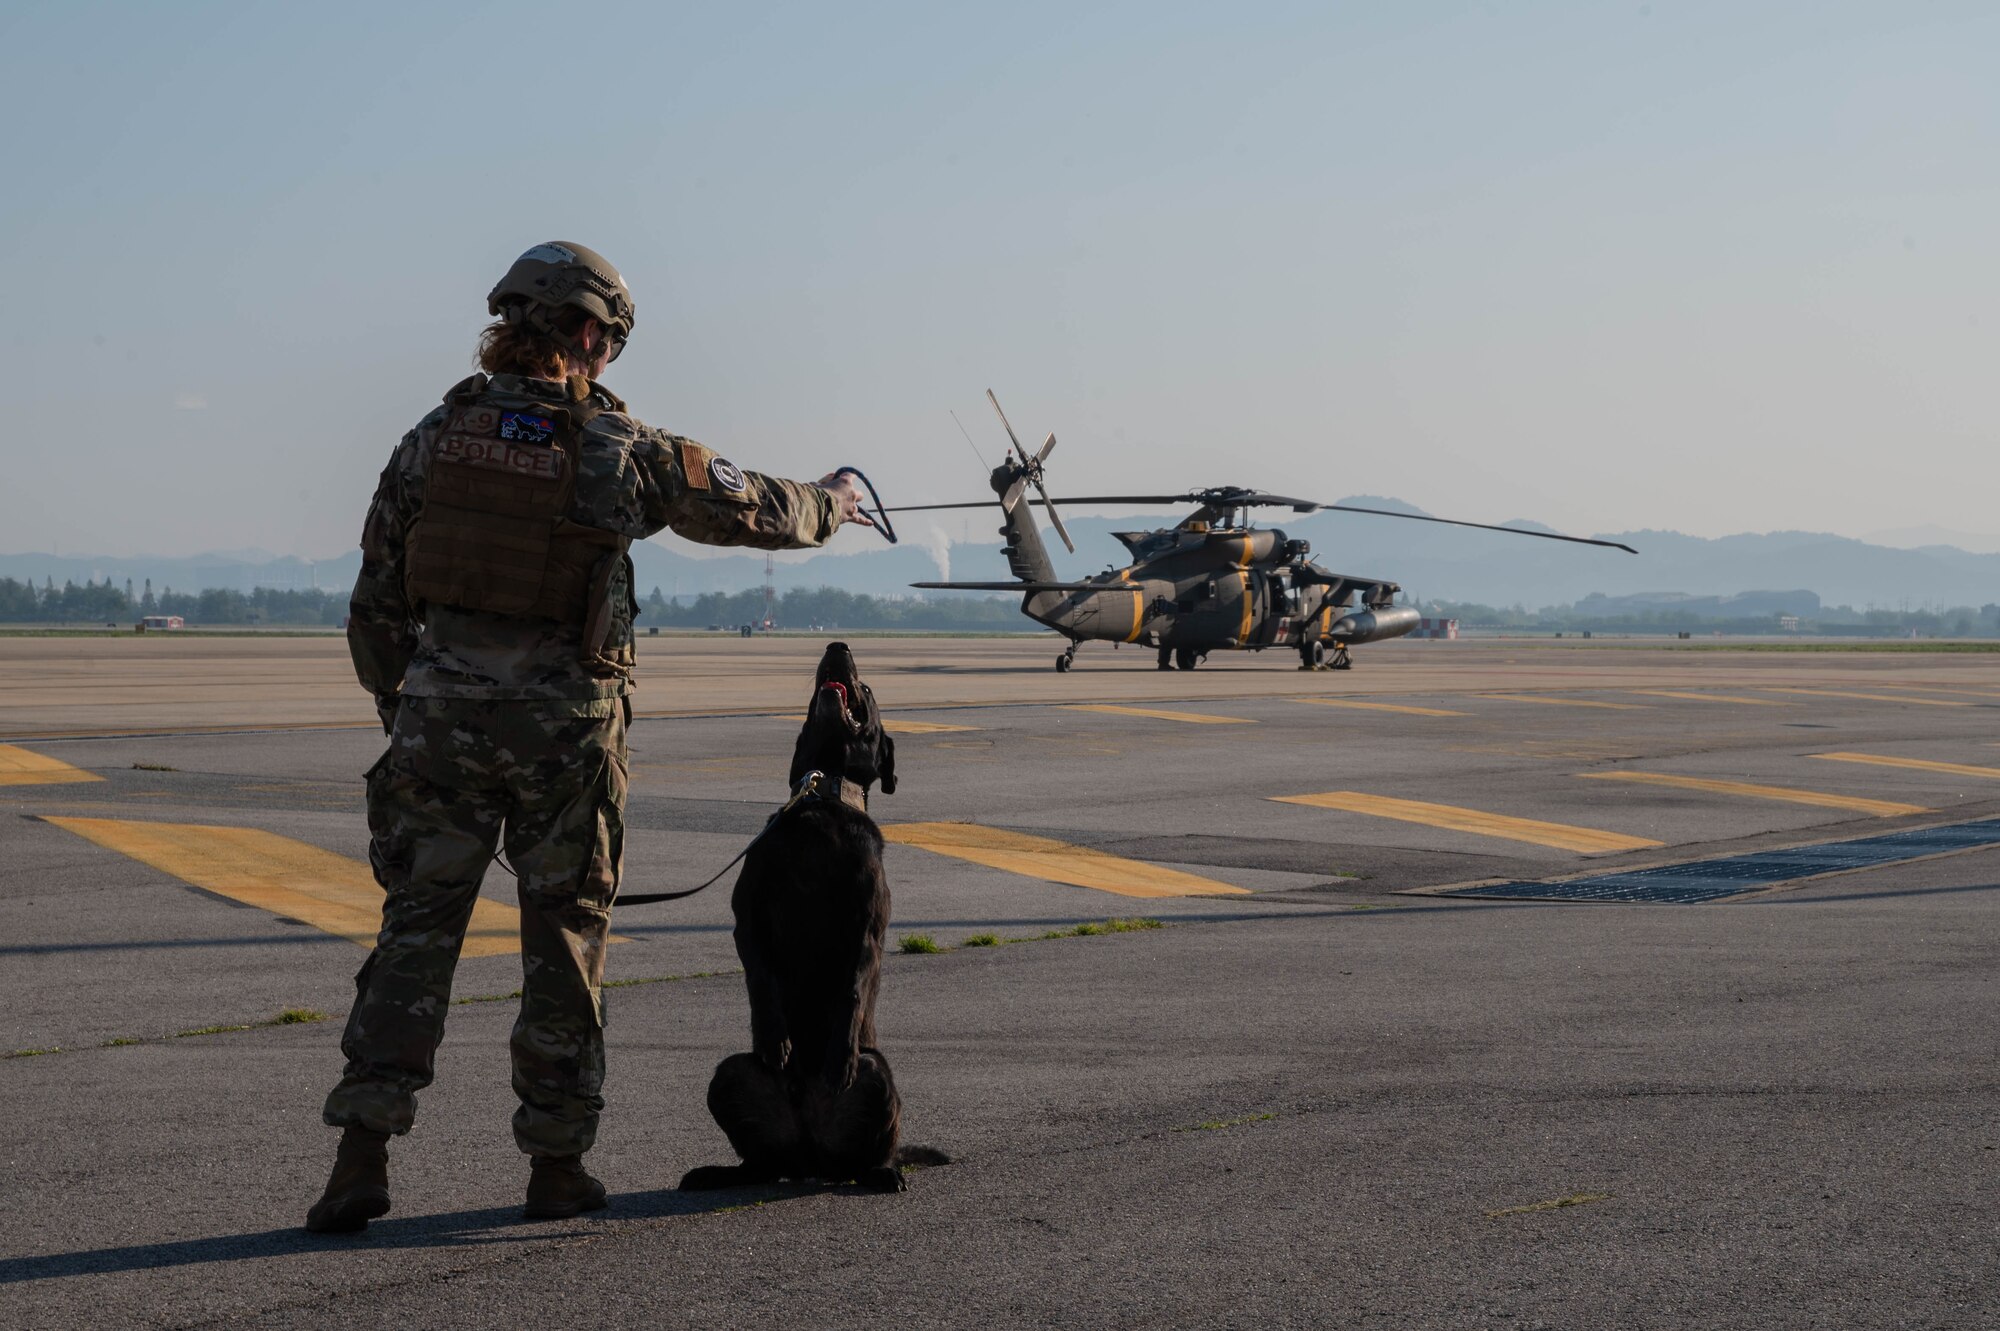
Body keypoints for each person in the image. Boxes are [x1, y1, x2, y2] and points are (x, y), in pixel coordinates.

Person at [306, 241, 871, 1233]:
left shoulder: (432, 440)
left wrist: (412, 707)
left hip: (437, 728)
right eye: (606, 341)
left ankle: (360, 1153)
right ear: (581, 333)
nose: (607, 359)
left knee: (413, 936)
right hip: (565, 739)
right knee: (564, 938)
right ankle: (556, 1164)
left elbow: (374, 606)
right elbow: (750, 507)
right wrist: (836, 501)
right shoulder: (611, 447)